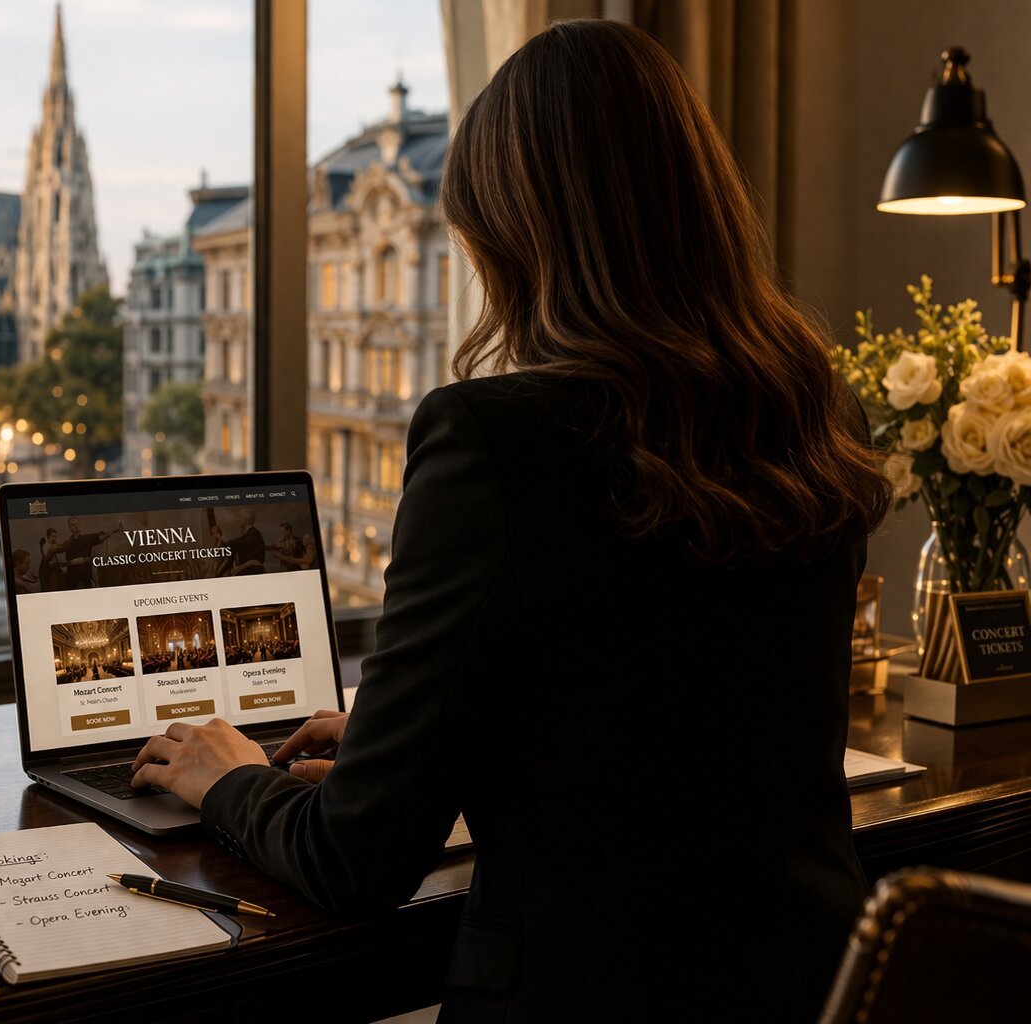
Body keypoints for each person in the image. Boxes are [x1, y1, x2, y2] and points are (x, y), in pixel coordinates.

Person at [131, 20, 890, 1023]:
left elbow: (356, 861)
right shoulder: (814, 412)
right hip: (812, 988)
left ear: (516, 236)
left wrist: (227, 778)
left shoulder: (493, 440)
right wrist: (424, 732)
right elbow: (670, 710)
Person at [210, 509, 266, 575]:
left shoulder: (254, 535)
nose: (237, 520)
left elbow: (236, 543)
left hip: (252, 571)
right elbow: (233, 549)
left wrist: (220, 537)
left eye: (240, 517)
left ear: (246, 519)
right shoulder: (246, 536)